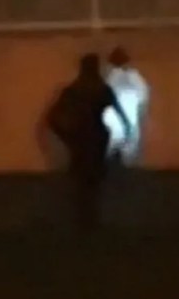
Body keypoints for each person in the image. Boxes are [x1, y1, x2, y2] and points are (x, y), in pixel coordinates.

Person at [46, 53, 129, 231]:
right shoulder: (102, 90)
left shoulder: (72, 91)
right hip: (97, 137)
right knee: (93, 182)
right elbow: (123, 118)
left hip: (80, 138)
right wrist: (123, 139)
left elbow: (51, 118)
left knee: (81, 182)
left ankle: (82, 220)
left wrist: (66, 136)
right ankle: (91, 220)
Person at [103, 46, 149, 164]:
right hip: (128, 115)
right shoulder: (133, 76)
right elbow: (143, 95)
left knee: (113, 146)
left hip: (112, 117)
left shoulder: (108, 77)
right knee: (128, 149)